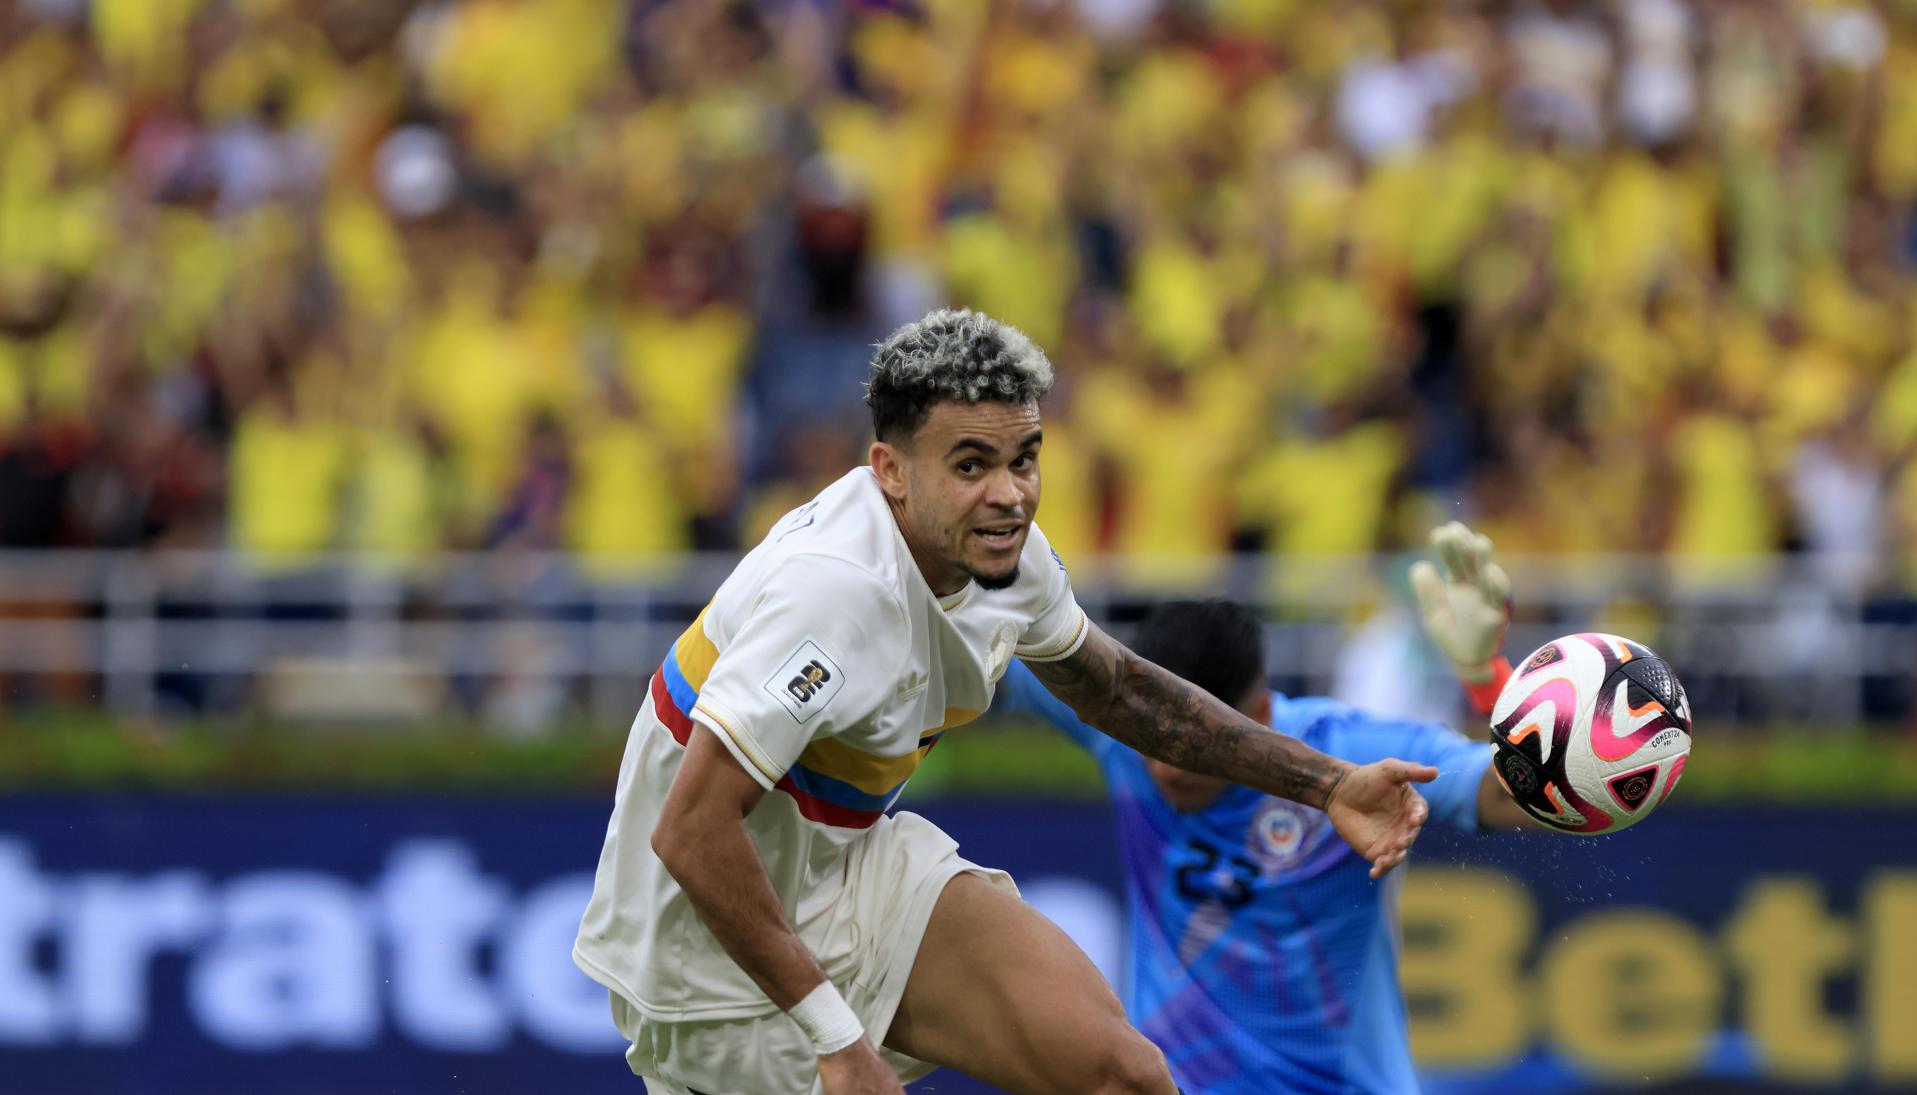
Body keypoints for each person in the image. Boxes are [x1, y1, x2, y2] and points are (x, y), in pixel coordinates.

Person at [573, 309, 1438, 1095]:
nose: (1010, 493)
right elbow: (689, 830)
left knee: (1124, 1075)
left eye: (1023, 458)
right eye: (970, 464)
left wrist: (1326, 784)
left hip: (850, 868)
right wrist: (838, 1040)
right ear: (890, 471)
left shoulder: (1002, 552)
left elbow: (1117, 689)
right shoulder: (831, 596)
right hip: (707, 953)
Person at [991, 522, 1540, 1094]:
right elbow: (981, 642)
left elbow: (1512, 794)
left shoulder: (1349, 755)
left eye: (1191, 748)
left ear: (1256, 713)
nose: (1165, 769)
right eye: (1152, 743)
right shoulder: (1115, 726)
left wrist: (1490, 686)